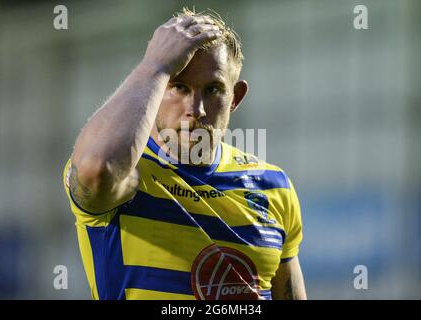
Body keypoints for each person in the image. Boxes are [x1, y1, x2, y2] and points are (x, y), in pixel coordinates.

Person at [63, 8, 307, 300]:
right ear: (154, 89)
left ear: (235, 98)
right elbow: (97, 167)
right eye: (178, 86)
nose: (197, 109)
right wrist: (154, 66)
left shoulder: (272, 185)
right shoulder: (129, 175)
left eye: (213, 89)